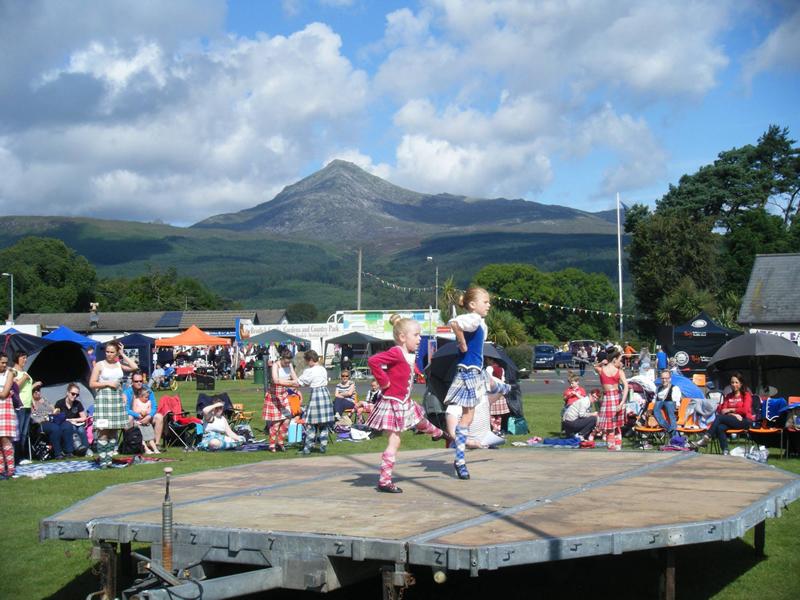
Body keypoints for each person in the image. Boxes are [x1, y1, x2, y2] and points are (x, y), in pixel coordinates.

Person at [366, 315, 446, 493]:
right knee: (395, 441)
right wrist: (384, 382)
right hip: (394, 402)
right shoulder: (396, 351)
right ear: (403, 337)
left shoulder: (407, 354)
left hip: (403, 400)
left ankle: (439, 433)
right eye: (416, 335)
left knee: (419, 419)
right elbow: (373, 361)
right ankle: (384, 481)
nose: (420, 339)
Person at [443, 286, 493, 480]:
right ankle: (460, 458)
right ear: (473, 305)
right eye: (485, 302)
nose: (488, 305)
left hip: (473, 370)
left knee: (468, 417)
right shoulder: (473, 318)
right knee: (466, 417)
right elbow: (454, 322)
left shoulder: (480, 322)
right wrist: (462, 341)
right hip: (468, 371)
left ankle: (460, 456)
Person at [90, 341, 138, 468]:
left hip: (116, 399)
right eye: (107, 351)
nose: (109, 354)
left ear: (116, 353)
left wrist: (123, 354)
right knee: (104, 431)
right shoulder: (100, 365)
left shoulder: (118, 364)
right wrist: (108, 384)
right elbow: (92, 383)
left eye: (112, 352)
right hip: (104, 399)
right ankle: (103, 461)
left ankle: (109, 459)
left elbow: (134, 367)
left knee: (113, 431)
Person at [695, 373, 754, 454]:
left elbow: (744, 410)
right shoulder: (729, 396)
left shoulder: (746, 395)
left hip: (745, 420)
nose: (734, 384)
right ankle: (725, 450)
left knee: (719, 417)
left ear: (741, 384)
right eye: (732, 382)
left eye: (736, 382)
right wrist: (734, 414)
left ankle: (707, 436)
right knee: (720, 427)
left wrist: (730, 410)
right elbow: (722, 410)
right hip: (733, 420)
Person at [295, 349, 334, 455]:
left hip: (316, 395)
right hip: (325, 394)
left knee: (311, 424)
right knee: (323, 424)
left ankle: (307, 449)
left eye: (307, 361)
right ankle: (323, 447)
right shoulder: (323, 369)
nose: (307, 363)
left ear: (311, 360)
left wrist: (291, 379)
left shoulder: (310, 370)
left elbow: (301, 382)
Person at [262, 349, 298, 452]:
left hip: (284, 394)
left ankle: (280, 442)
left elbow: (295, 378)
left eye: (289, 362)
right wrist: (290, 383)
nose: (287, 363)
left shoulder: (290, 365)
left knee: (287, 420)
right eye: (286, 362)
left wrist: (292, 382)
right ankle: (272, 444)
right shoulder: (275, 365)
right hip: (274, 395)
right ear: (281, 358)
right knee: (276, 423)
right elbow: (275, 380)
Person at [594, 348, 629, 451]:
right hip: (617, 398)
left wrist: (601, 362)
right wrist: (622, 402)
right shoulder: (619, 371)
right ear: (614, 360)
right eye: (619, 360)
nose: (621, 362)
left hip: (608, 398)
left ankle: (611, 447)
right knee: (616, 425)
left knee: (610, 427)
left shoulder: (601, 370)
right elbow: (626, 387)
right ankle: (617, 447)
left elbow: (595, 366)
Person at [44, 382, 91, 458]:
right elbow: (56, 417)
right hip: (65, 425)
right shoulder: (60, 403)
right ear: (67, 393)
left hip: (76, 423)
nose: (75, 396)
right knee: (72, 428)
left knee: (81, 430)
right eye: (73, 394)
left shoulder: (78, 404)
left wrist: (73, 420)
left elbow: (84, 417)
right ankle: (74, 449)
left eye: (77, 395)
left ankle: (86, 449)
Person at [124, 372, 165, 448]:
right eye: (136, 381)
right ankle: (131, 443)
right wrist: (138, 415)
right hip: (134, 417)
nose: (139, 383)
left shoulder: (147, 390)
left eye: (140, 381)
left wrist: (149, 416)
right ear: (132, 382)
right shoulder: (127, 392)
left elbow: (154, 406)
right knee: (129, 418)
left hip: (147, 416)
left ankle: (156, 444)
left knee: (159, 417)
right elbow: (125, 409)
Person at [12, 351, 36, 463]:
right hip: (19, 406)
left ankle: (21, 456)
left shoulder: (25, 372)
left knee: (24, 433)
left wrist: (32, 402)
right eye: (23, 358)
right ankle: (16, 458)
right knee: (18, 432)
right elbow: (15, 386)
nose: (25, 360)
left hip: (27, 406)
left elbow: (28, 390)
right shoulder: (13, 372)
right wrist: (25, 377)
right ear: (17, 358)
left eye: (26, 358)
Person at [0, 352, 18, 479]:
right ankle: (1, 469)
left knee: (5, 438)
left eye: (6, 362)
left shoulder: (9, 372)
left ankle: (10, 468)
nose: (5, 365)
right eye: (2, 362)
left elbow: (4, 393)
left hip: (5, 406)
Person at [131, 387, 160, 454]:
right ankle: (146, 449)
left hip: (146, 421)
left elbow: (150, 411)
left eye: (148, 397)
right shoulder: (136, 401)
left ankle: (155, 449)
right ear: (140, 396)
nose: (147, 399)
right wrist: (140, 412)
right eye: (146, 397)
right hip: (138, 421)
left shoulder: (149, 402)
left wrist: (147, 413)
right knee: (141, 436)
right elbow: (134, 410)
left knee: (150, 436)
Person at [653, 370, 680, 438]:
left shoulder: (674, 388)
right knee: (656, 405)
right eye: (662, 378)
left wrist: (677, 404)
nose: (664, 380)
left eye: (666, 378)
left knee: (669, 404)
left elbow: (676, 401)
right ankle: (669, 429)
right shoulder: (658, 388)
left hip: (670, 406)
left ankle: (674, 435)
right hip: (660, 407)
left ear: (670, 379)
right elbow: (654, 399)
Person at [486, 357, 509, 434]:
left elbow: (487, 379)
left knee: (491, 414)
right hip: (500, 392)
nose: (486, 361)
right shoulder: (501, 369)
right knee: (498, 415)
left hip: (492, 393)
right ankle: (497, 430)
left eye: (488, 359)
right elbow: (502, 380)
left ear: (492, 360)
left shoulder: (489, 368)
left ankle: (493, 430)